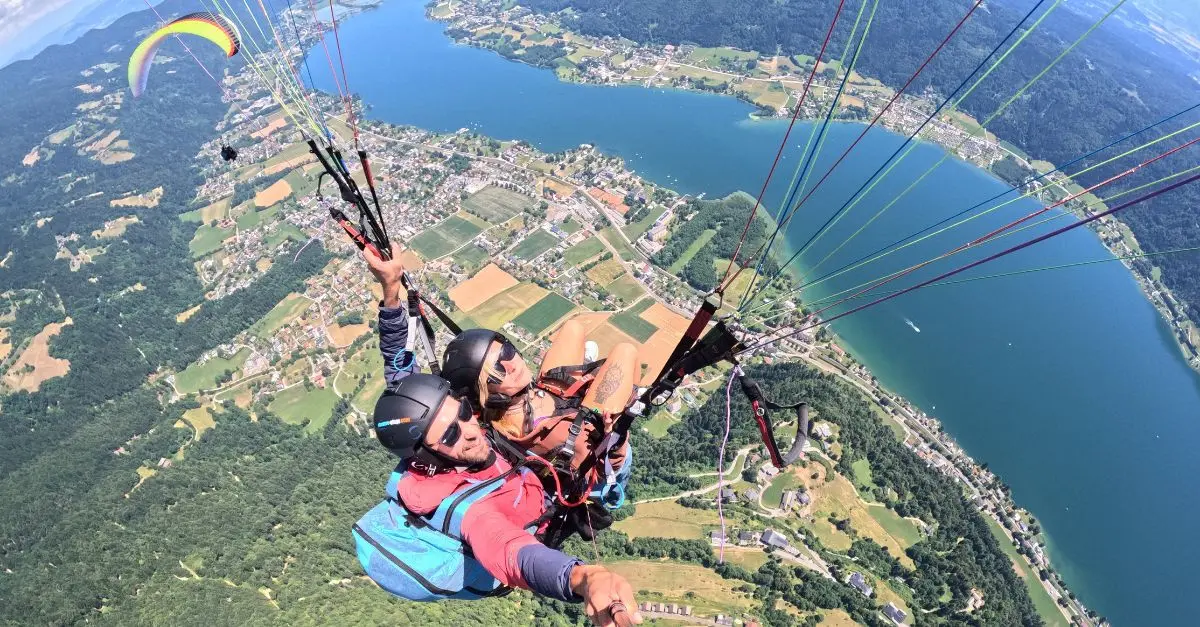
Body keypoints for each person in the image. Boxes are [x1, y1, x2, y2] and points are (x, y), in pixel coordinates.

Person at [360, 245, 642, 626]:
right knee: (626, 355)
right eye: (451, 435)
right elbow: (514, 554)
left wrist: (391, 289)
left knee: (576, 332)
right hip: (552, 495)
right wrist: (582, 578)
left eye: (462, 412)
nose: (470, 430)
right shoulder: (469, 510)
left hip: (527, 465)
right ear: (430, 456)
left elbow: (400, 376)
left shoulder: (443, 425)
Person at [440, 322, 639, 510]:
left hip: (549, 400)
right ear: (486, 393)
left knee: (573, 328)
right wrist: (614, 435)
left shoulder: (497, 413)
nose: (511, 365)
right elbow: (604, 471)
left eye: (506, 352)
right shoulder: (551, 437)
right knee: (627, 352)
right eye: (497, 371)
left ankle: (586, 389)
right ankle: (633, 393)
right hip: (594, 452)